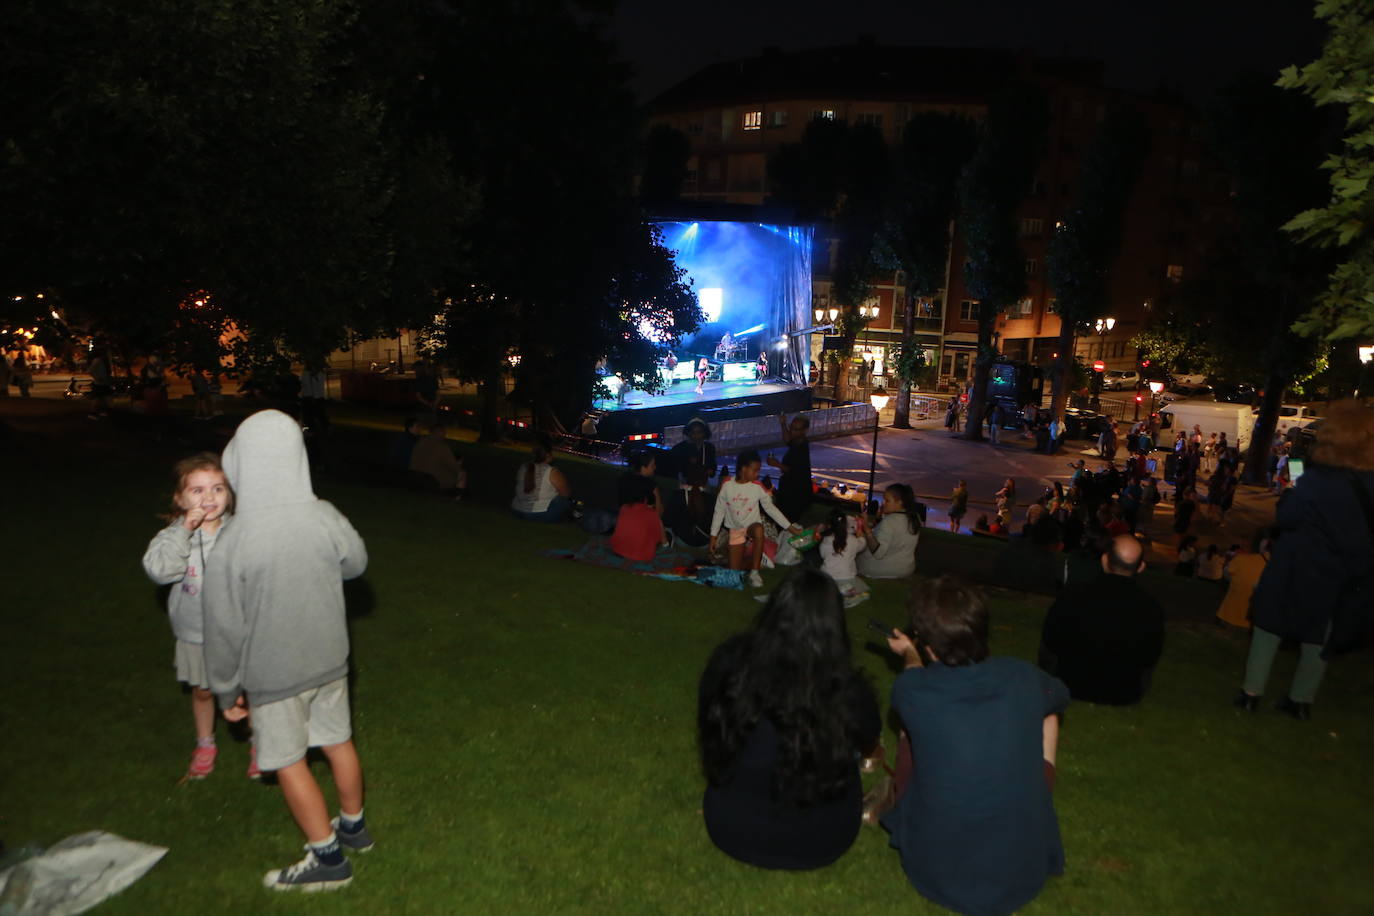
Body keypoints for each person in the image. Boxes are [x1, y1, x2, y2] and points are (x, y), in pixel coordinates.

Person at [201, 409, 372, 891]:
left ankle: (328, 859)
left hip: (273, 675)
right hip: (331, 662)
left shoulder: (234, 538)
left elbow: (222, 627)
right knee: (338, 740)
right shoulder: (323, 512)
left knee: (288, 759)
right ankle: (354, 826)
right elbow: (355, 562)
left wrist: (225, 689)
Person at [880, 576, 1068, 916]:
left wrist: (909, 653)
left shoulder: (913, 691)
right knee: (1047, 716)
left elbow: (912, 676)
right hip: (1022, 869)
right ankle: (1031, 806)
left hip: (938, 871)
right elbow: (1059, 696)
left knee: (910, 733)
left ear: (928, 645)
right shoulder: (1022, 675)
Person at [697, 568, 880, 870]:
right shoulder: (849, 691)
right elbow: (866, 737)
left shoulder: (730, 664)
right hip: (823, 838)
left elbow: (711, 731)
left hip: (734, 828)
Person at [1234, 400, 1374, 720]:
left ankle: (1251, 693)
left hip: (1296, 565)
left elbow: (1287, 516)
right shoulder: (1369, 485)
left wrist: (1291, 497)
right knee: (1319, 637)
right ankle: (1301, 700)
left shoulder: (1317, 481)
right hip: (1340, 572)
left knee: (1269, 627)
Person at [141, 453, 251, 780]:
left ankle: (262, 740)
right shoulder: (174, 537)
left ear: (229, 493)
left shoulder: (241, 531)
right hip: (196, 633)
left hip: (240, 632)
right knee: (203, 691)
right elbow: (160, 571)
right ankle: (205, 743)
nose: (208, 498)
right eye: (197, 490)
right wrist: (184, 530)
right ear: (180, 498)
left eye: (217, 489)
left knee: (251, 690)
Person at [1039, 535, 1165, 705]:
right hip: (1123, 693)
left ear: (1105, 560)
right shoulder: (1151, 609)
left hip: (1069, 684)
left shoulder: (1074, 596)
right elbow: (1150, 657)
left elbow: (1049, 641)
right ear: (1141, 567)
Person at [710, 450, 801, 588]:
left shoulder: (758, 487)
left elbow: (771, 509)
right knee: (734, 575)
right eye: (755, 470)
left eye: (758, 470)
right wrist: (713, 536)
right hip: (736, 530)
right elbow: (719, 511)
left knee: (759, 530)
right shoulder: (727, 485)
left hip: (752, 526)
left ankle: (755, 572)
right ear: (743, 469)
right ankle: (747, 562)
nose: (757, 474)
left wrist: (790, 528)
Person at [609, 452, 670, 563]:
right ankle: (664, 545)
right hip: (642, 526)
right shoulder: (650, 485)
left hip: (623, 522)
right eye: (653, 465)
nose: (655, 468)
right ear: (643, 467)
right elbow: (659, 511)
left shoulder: (623, 480)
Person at [859, 483, 921, 578]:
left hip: (881, 570)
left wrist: (866, 528)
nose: (883, 503)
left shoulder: (889, 521)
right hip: (907, 568)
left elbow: (878, 553)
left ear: (900, 502)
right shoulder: (915, 517)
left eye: (887, 501)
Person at [511, 435, 572, 522]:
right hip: (540, 514)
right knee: (564, 501)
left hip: (517, 510)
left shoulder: (523, 467)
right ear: (548, 455)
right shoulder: (552, 472)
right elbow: (566, 494)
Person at [1216, 536, 1270, 629]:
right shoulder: (1283, 569)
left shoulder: (1242, 559)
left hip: (1229, 618)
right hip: (1259, 625)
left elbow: (1226, 574)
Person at [768, 414, 812, 524]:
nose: (792, 432)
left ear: (805, 430)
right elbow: (788, 440)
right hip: (790, 491)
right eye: (791, 427)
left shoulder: (801, 449)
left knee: (786, 522)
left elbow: (795, 471)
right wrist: (783, 424)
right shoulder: (797, 441)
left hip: (796, 495)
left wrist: (777, 464)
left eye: (796, 429)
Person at [409, 421, 467, 498]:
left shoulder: (419, 442)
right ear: (440, 432)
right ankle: (457, 497)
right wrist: (458, 466)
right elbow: (453, 467)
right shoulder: (442, 446)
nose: (445, 435)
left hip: (415, 475)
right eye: (444, 432)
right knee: (462, 473)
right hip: (432, 480)